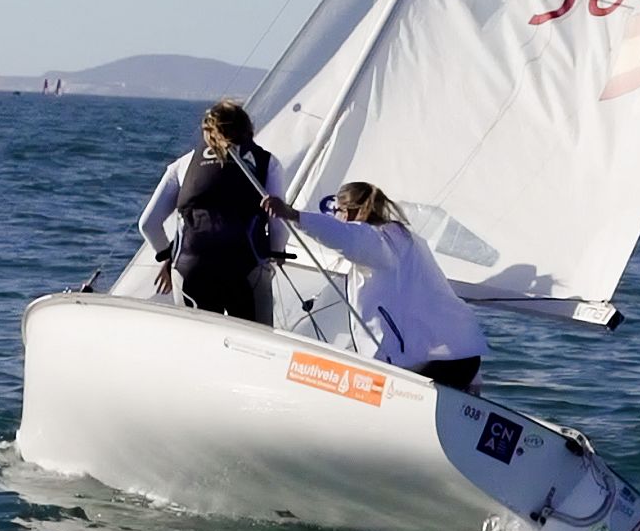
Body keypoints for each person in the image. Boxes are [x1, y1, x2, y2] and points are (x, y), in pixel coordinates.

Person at [260, 182, 488, 390]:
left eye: (336, 212)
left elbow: (347, 237)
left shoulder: (377, 242)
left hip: (435, 361)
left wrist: (292, 215)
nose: (335, 218)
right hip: (465, 352)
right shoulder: (407, 239)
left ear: (347, 213)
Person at [138, 100, 285, 322]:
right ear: (248, 129)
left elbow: (148, 224)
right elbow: (278, 223)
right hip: (245, 269)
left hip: (190, 269)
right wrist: (276, 254)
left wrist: (167, 258)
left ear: (207, 132)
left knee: (196, 347)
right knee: (255, 348)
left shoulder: (183, 164)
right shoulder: (267, 163)